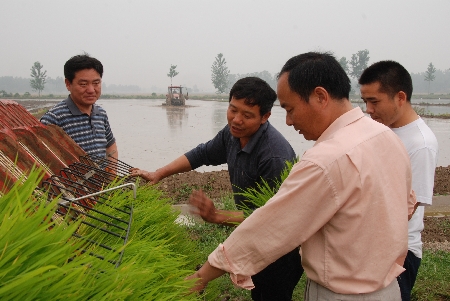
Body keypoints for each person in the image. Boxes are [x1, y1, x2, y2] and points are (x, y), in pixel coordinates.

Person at [186, 52, 417, 300]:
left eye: (290, 108)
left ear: (320, 96)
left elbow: (268, 229)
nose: (287, 121)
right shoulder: (386, 137)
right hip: (389, 291)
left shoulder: (326, 160)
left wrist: (200, 278)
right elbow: (406, 205)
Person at [130, 77, 303, 301]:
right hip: (254, 235)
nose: (236, 120)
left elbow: (270, 219)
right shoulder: (232, 134)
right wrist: (159, 174)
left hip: (279, 248)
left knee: (271, 293)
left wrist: (218, 216)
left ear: (265, 117)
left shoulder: (273, 157)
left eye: (247, 115)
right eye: (233, 110)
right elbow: (203, 154)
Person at [359, 61, 439, 301]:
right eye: (365, 102)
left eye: (374, 101)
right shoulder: (381, 129)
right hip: (369, 247)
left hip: (398, 254)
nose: (368, 109)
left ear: (400, 97)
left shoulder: (420, 143)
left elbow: (408, 209)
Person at [40, 54, 118, 163]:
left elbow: (110, 145)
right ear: (68, 84)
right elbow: (41, 156)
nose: (91, 90)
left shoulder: (101, 114)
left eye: (96, 83)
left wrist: (112, 173)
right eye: (83, 84)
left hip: (101, 180)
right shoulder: (54, 119)